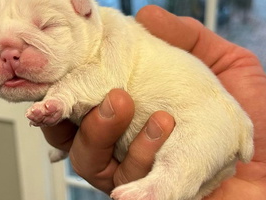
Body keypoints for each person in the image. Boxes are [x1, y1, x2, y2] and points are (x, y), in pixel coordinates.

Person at [41, 5, 266, 200]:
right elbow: (89, 106)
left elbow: (100, 81)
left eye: (47, 27)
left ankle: (157, 192)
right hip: (231, 159)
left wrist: (63, 97)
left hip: (206, 116)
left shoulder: (111, 34)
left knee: (177, 162)